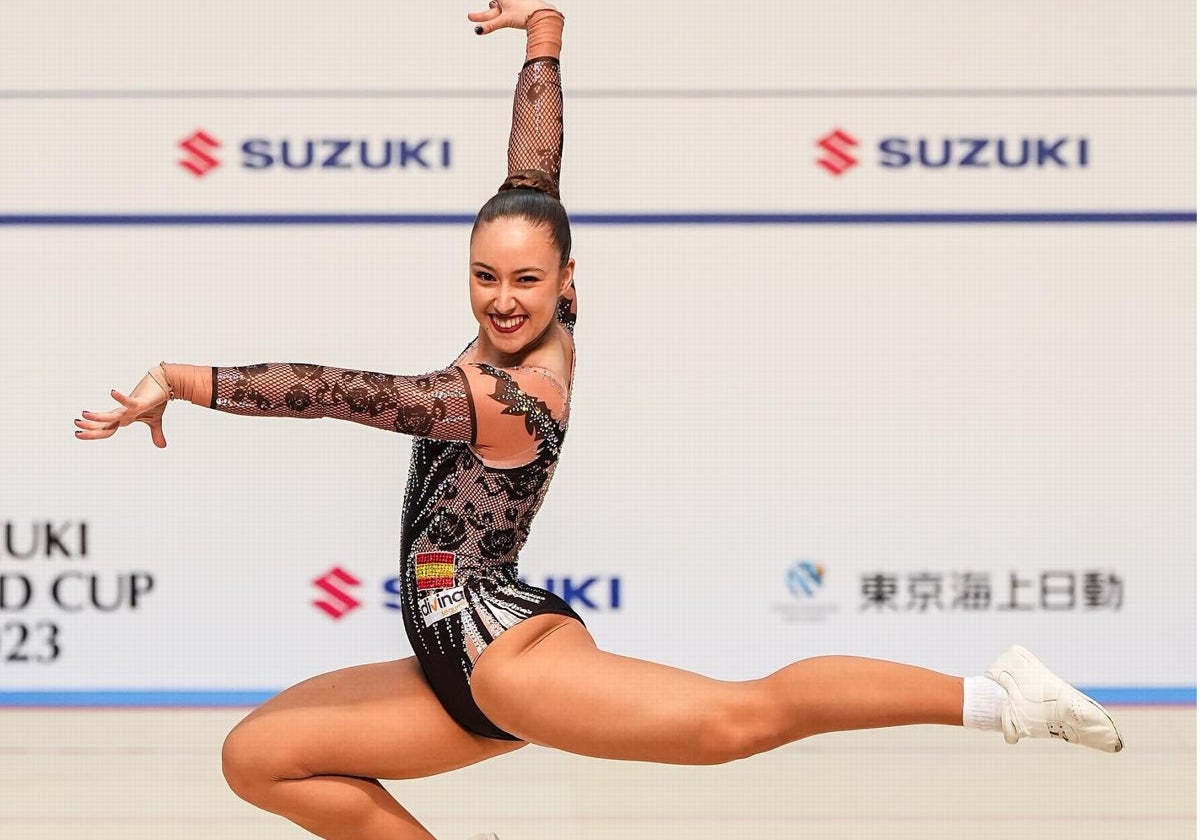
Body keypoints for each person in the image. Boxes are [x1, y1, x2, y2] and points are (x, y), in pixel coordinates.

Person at [75, 3, 1123, 838]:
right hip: (445, 651)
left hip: (506, 658)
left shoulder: (512, 394)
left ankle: (999, 698)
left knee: (736, 719)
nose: (500, 298)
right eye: (484, 275)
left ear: (567, 282)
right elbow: (534, 171)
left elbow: (359, 395)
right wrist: (543, 38)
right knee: (259, 758)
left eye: (524, 281)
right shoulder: (535, 304)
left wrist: (189, 375)